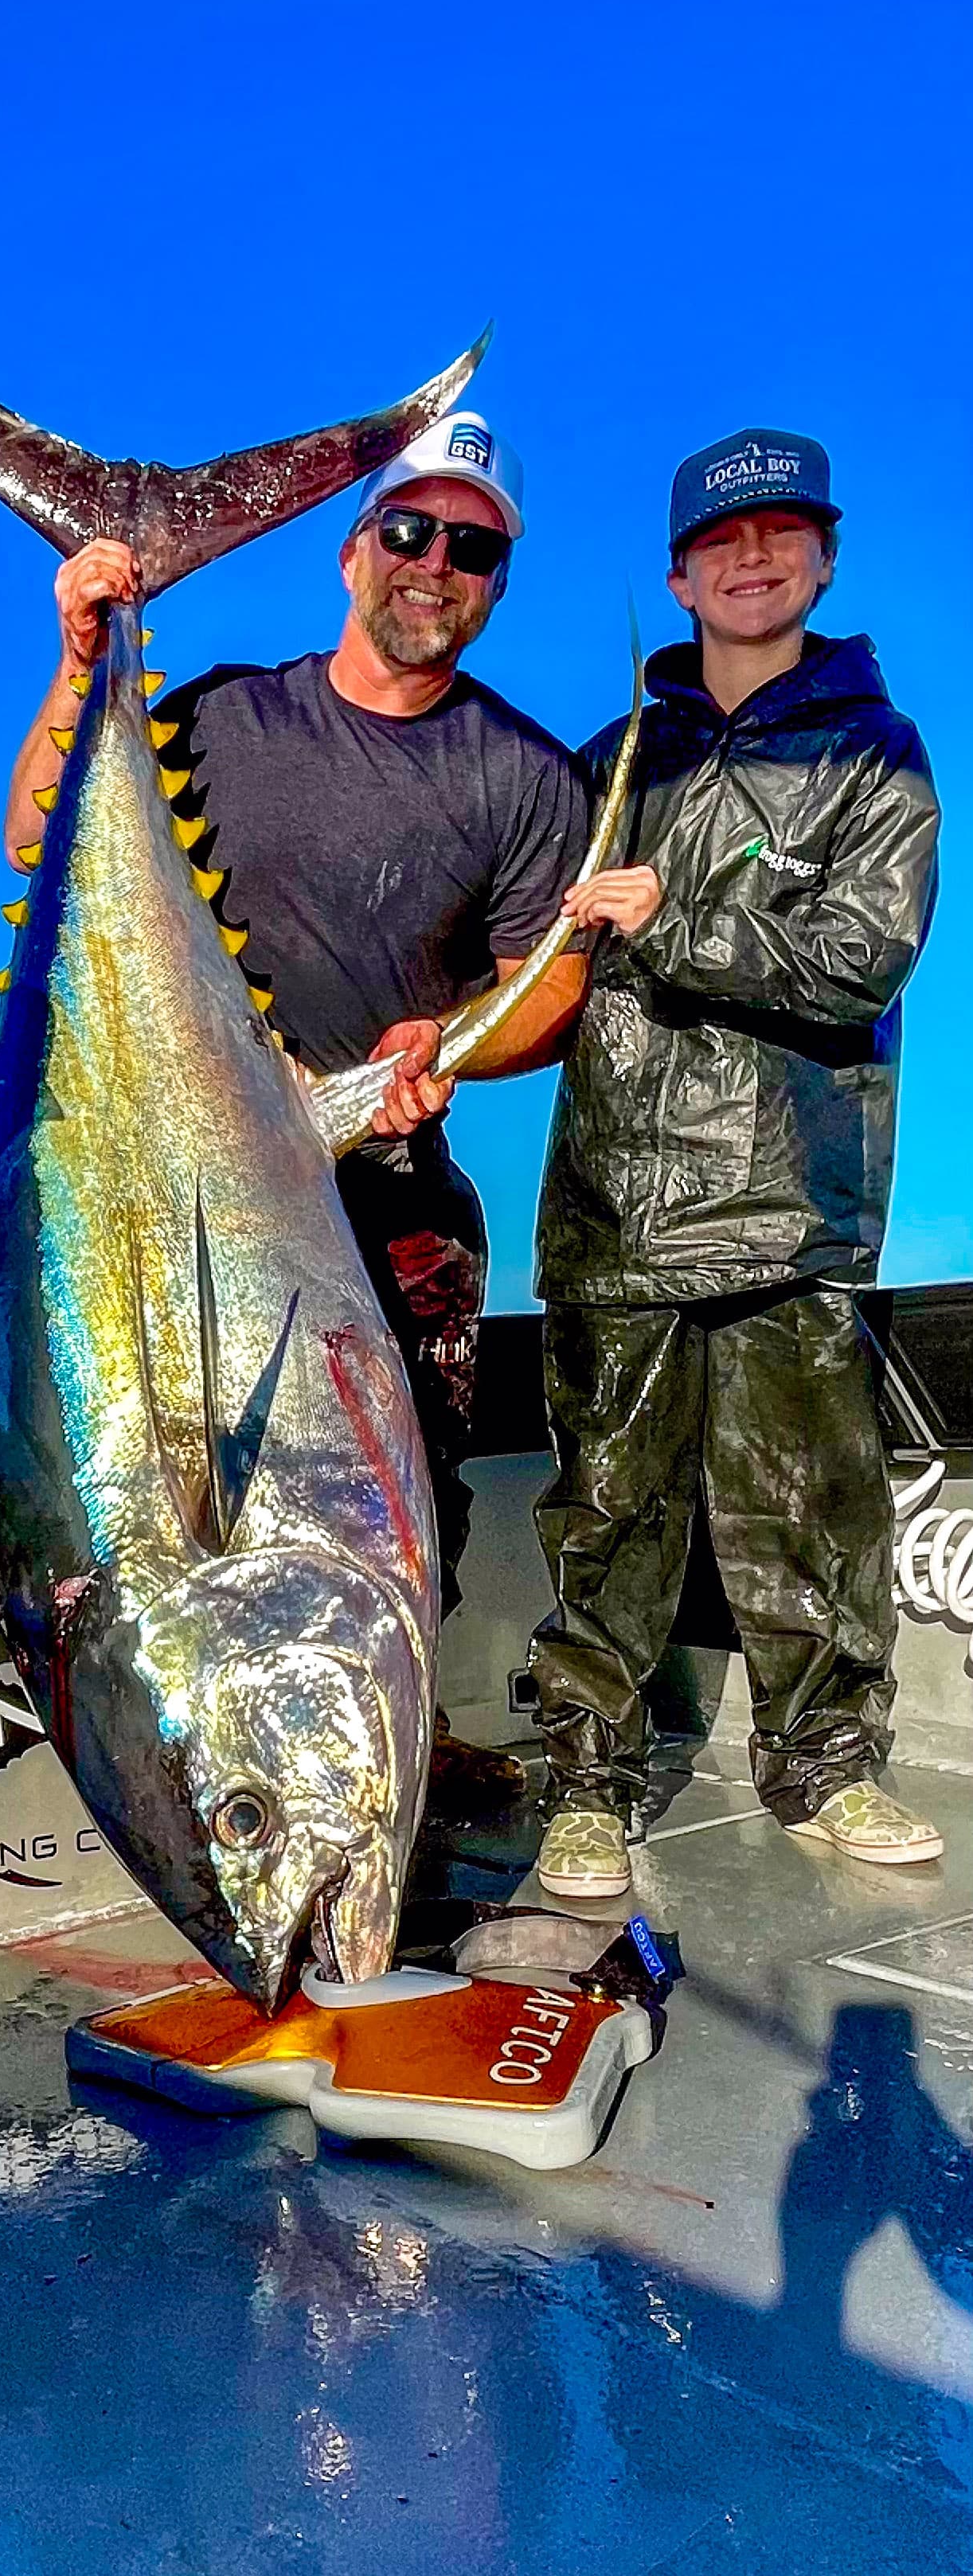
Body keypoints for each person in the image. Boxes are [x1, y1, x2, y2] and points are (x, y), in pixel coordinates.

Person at [6, 410, 591, 1813]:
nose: (434, 563)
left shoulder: (521, 773)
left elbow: (552, 987)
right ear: (352, 551)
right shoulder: (216, 713)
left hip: (382, 1173)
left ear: (498, 582)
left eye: (472, 547)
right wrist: (84, 657)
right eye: (409, 530)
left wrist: (450, 1041)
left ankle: (395, 1733)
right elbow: (41, 838)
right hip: (180, 1186)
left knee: (413, 1489)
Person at [529, 431, 941, 1900]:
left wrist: (666, 922)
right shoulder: (605, 764)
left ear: (826, 558)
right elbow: (515, 959)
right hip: (615, 1206)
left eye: (783, 534)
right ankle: (587, 1780)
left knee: (813, 1515)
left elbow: (858, 961)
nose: (753, 559)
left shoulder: (876, 753)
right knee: (603, 1512)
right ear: (679, 574)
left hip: (789, 1207)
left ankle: (828, 1771)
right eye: (723, 541)